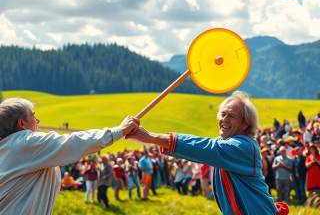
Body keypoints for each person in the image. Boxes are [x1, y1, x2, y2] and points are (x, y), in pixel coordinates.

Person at [126, 91, 287, 214]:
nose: (224, 119)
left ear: (245, 124)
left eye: (231, 116)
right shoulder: (228, 143)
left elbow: (207, 147)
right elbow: (202, 149)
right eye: (223, 114)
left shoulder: (244, 146)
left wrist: (150, 137)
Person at [0, 98, 139, 214]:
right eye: (33, 115)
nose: (38, 120)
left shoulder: (9, 147)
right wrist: (119, 131)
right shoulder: (25, 143)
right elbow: (73, 142)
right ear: (21, 123)